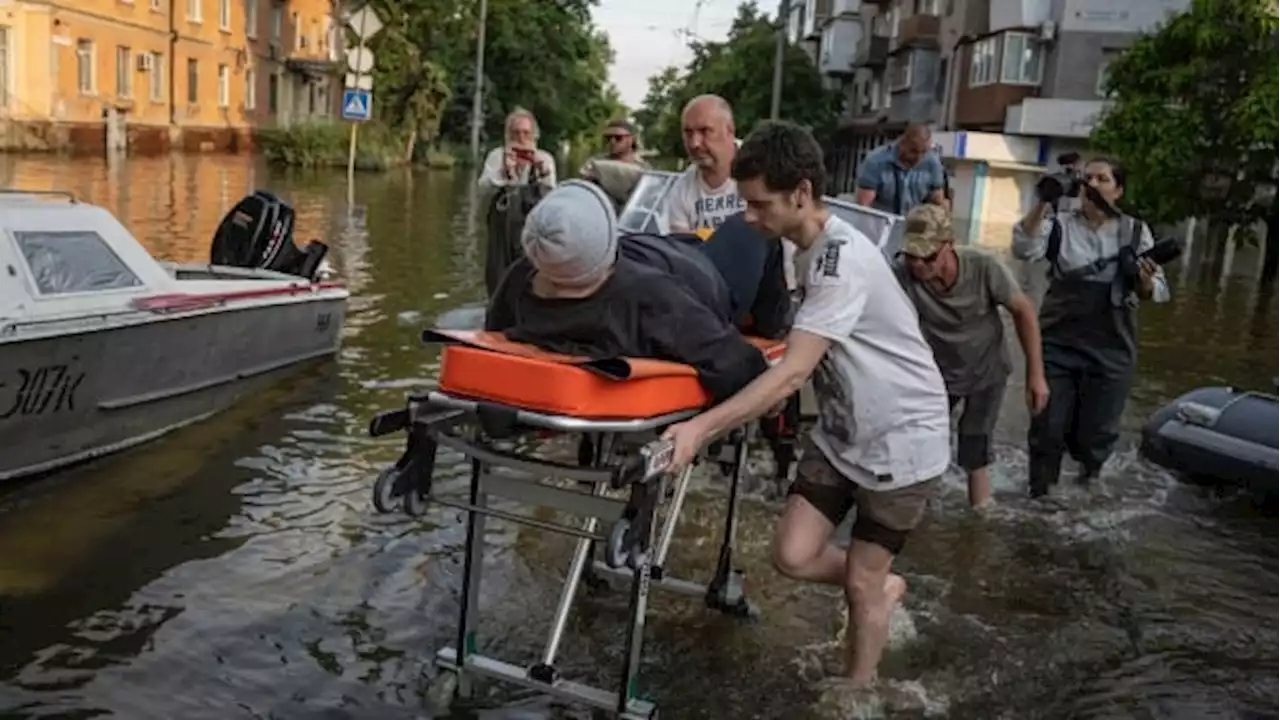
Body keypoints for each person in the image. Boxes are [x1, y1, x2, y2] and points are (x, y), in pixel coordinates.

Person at [662, 121, 951, 688]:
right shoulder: (801, 248)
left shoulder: (840, 260)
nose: (748, 217)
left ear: (800, 193)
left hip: (902, 440)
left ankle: (856, 690)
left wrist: (699, 431)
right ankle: (881, 585)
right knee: (792, 556)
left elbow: (794, 372)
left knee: (861, 583)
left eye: (758, 204)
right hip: (844, 433)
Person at [485, 179, 768, 403]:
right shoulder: (649, 297)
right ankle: (778, 326)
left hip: (666, 253)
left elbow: (493, 336)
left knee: (693, 237)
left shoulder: (519, 279)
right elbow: (739, 366)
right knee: (753, 223)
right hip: (707, 276)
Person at [1011, 156, 1171, 497]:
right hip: (1058, 342)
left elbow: (1158, 291)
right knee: (1048, 425)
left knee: (1096, 434)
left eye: (1102, 179)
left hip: (1112, 346)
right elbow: (1023, 249)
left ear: (1119, 190)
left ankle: (1087, 490)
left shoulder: (1137, 231)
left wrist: (1142, 282)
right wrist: (1043, 201)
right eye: (1087, 179)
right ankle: (1039, 497)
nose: (1092, 185)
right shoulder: (1059, 225)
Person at [893, 203, 1049, 510]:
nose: (918, 265)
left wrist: (1036, 375)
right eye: (912, 256)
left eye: (927, 257)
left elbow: (1024, 311)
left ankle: (981, 513)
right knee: (919, 441)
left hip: (986, 370)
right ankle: (917, 510)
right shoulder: (901, 274)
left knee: (975, 444)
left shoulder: (983, 266)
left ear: (948, 246)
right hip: (936, 373)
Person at [854, 124, 949, 216]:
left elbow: (937, 200)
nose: (919, 158)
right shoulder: (876, 160)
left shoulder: (932, 162)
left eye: (924, 152)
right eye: (914, 151)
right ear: (902, 143)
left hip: (913, 225)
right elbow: (864, 206)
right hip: (880, 223)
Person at [478, 108, 557, 192]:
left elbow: (551, 194)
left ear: (534, 135)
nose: (521, 138)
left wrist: (542, 171)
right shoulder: (496, 155)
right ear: (509, 135)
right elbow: (483, 188)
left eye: (526, 133)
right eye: (516, 133)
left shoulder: (545, 158)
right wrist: (504, 172)